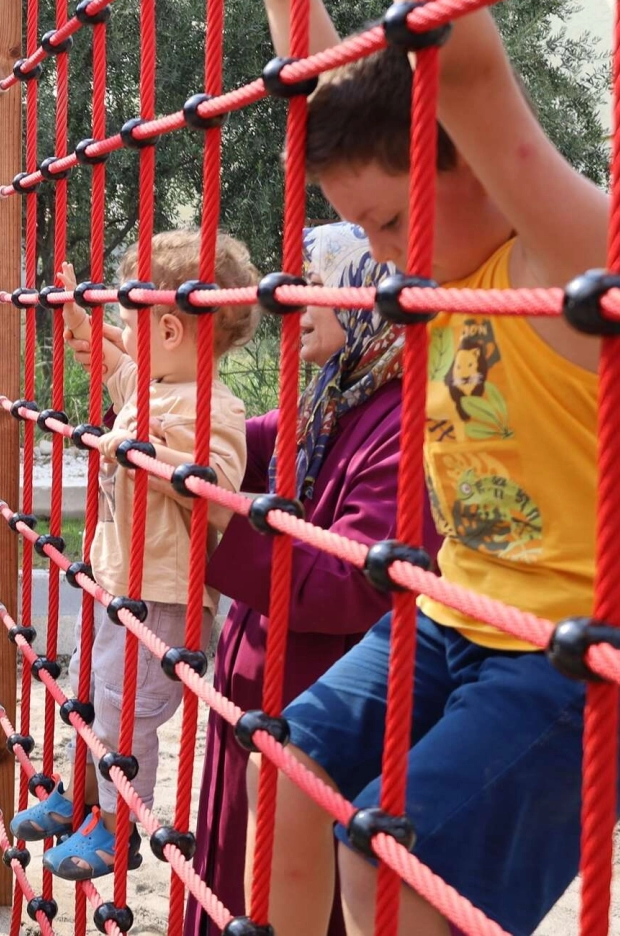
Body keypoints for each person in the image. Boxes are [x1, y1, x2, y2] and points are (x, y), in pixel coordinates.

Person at [212, 0, 620, 934]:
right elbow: (343, 101)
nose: (379, 256)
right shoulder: (437, 272)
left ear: (482, 174)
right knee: (289, 764)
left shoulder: (570, 261)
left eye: (393, 223)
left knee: (394, 848)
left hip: (608, 629)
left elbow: (475, 86)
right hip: (467, 602)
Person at [189, 222, 441, 936]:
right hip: (259, 690)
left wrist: (218, 530)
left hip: (320, 704)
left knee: (285, 891)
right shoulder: (333, 395)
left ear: (366, 297)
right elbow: (236, 441)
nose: (288, 307)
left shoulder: (408, 420)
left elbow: (356, 583)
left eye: (312, 289)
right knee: (230, 867)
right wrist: (150, 376)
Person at [8, 229, 260, 879]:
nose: (124, 334)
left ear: (171, 332)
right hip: (123, 578)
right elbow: (113, 363)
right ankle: (85, 797)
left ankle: (122, 826)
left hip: (168, 593)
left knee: (129, 714)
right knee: (89, 693)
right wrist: (84, 323)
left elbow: (221, 484)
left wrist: (148, 455)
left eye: (130, 321)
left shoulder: (214, 407)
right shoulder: (152, 386)